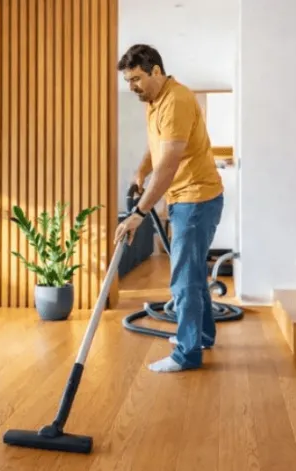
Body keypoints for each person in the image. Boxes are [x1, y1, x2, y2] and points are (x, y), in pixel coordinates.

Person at [114, 44, 225, 373]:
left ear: (156, 71)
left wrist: (139, 213)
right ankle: (201, 336)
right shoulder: (154, 100)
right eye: (128, 81)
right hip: (185, 198)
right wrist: (140, 170)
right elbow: (157, 150)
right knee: (191, 273)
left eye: (135, 79)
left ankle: (187, 354)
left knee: (184, 279)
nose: (132, 86)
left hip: (196, 198)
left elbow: (169, 165)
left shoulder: (176, 100)